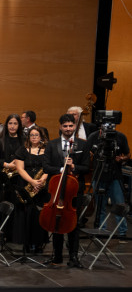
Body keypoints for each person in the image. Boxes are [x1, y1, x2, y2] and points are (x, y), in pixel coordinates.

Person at [43, 114, 90, 267]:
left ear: (74, 127)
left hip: (74, 191)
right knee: (56, 224)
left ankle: (73, 257)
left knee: (73, 224)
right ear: (60, 127)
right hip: (57, 189)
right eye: (65, 126)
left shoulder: (82, 145)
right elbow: (46, 167)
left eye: (71, 126)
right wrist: (62, 168)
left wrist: (74, 167)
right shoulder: (52, 144)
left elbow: (87, 167)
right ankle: (57, 256)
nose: (68, 128)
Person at [14, 126, 49, 254]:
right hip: (26, 185)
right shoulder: (22, 150)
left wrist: (42, 181)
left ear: (41, 137)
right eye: (32, 135)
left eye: (36, 135)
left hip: (41, 187)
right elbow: (20, 169)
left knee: (38, 215)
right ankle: (26, 243)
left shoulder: (47, 151)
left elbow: (49, 168)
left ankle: (38, 243)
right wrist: (32, 181)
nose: (34, 137)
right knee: (26, 214)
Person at [0, 115, 23, 243]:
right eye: (10, 123)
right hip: (1, 177)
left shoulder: (23, 139)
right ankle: (0, 232)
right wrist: (7, 164)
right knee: (0, 204)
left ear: (19, 125)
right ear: (6, 124)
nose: (12, 126)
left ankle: (12, 233)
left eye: (15, 123)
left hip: (16, 178)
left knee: (15, 205)